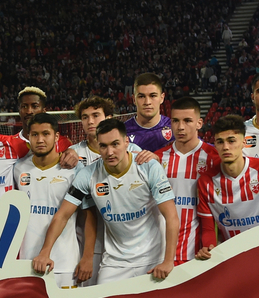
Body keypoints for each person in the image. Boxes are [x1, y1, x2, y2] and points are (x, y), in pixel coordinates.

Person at [33, 117, 179, 284]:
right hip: (114, 263)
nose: (109, 152)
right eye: (103, 146)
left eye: (115, 144)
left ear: (126, 142)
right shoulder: (88, 175)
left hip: (152, 258)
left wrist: (168, 260)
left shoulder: (148, 167)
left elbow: (171, 217)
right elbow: (63, 215)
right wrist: (45, 252)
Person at [14, 113, 87, 288]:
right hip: (27, 263)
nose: (40, 139)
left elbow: (88, 215)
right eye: (35, 134)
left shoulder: (75, 170)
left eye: (46, 134)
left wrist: (87, 256)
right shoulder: (18, 168)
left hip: (65, 262)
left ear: (56, 136)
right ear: (28, 137)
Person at [196, 114, 259, 260]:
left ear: (244, 142)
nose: (225, 147)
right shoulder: (206, 182)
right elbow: (208, 228)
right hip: (231, 256)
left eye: (231, 141)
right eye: (220, 142)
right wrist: (208, 247)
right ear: (215, 145)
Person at [154, 97, 220, 265]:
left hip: (197, 252)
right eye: (175, 121)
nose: (180, 127)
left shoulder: (215, 158)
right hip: (158, 252)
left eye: (187, 121)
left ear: (199, 123)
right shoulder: (157, 158)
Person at [124, 73, 173, 152]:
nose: (147, 102)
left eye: (153, 96)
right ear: (134, 99)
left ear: (162, 98)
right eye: (141, 96)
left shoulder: (175, 128)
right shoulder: (123, 132)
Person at [15, 87, 72, 151]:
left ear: (44, 111)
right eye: (24, 106)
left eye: (35, 106)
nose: (29, 111)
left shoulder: (63, 144)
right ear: (19, 111)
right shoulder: (9, 144)